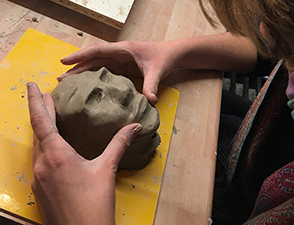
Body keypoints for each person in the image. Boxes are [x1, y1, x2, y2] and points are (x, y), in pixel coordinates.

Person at [27, 0, 294, 224]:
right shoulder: (281, 36)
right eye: (104, 82)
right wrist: (174, 51)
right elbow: (268, 44)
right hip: (255, 160)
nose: (122, 90)